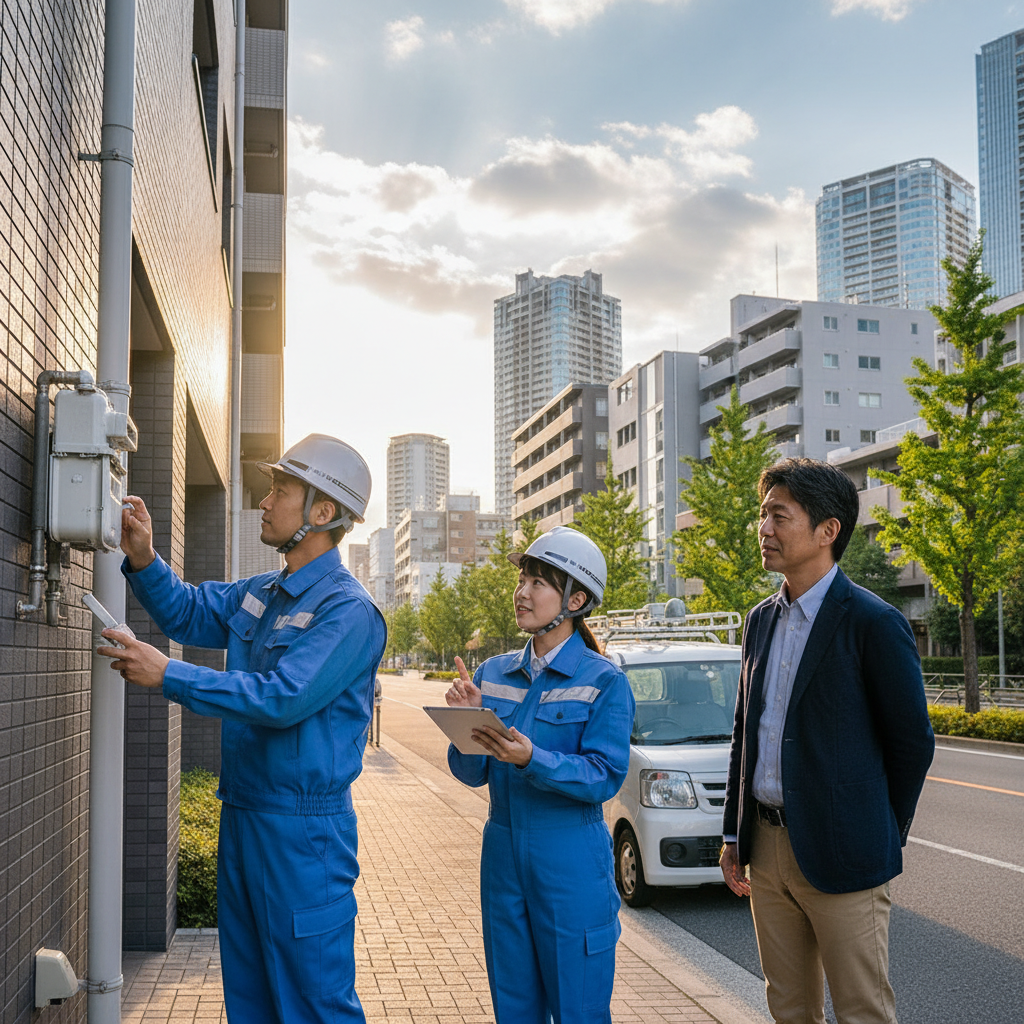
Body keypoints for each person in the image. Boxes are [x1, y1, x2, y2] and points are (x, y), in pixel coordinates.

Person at [97, 434, 386, 1024]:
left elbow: (282, 698)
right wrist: (146, 558)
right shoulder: (261, 593)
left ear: (322, 512)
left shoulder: (348, 612)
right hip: (245, 814)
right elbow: (187, 611)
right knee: (250, 996)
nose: (266, 500)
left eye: (280, 489)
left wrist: (168, 675)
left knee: (315, 1001)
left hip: (304, 835)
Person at [720, 458, 934, 1024]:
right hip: (766, 851)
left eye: (779, 515)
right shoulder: (759, 620)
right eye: (762, 515)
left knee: (862, 1009)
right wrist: (734, 833)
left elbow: (912, 742)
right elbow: (748, 731)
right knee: (788, 1006)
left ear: (828, 530)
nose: (764, 528)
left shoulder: (873, 622)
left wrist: (880, 828)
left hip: (846, 852)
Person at [444, 526, 635, 1024]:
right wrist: (466, 723)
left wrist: (534, 759)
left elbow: (604, 776)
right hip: (502, 852)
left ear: (576, 598)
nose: (522, 592)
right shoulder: (493, 673)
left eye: (538, 582)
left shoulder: (604, 680)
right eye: (522, 579)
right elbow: (471, 772)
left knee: (579, 1008)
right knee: (514, 1007)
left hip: (569, 858)